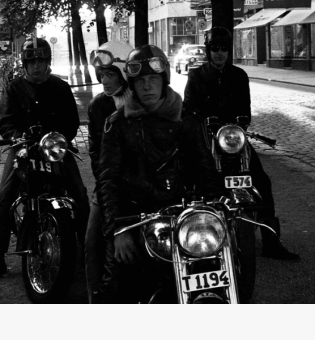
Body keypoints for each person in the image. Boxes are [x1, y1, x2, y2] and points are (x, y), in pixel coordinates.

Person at [94, 45, 224, 303]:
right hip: (134, 215)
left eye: (153, 79)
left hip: (182, 215)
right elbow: (107, 177)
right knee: (114, 285)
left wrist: (217, 209)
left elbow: (205, 167)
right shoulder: (117, 124)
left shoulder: (187, 119)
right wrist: (119, 228)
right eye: (140, 81)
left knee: (214, 272)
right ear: (132, 84)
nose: (147, 86)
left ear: (164, 80)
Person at [183, 27, 299, 260]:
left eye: (224, 48)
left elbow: (245, 110)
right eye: (215, 48)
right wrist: (202, 121)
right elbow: (187, 110)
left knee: (262, 181)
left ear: (229, 51)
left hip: (233, 140)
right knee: (192, 177)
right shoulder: (196, 75)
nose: (219, 53)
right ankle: (196, 236)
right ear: (208, 50)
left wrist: (242, 122)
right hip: (207, 140)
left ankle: (271, 240)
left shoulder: (239, 75)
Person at [0, 37, 90, 281]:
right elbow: (5, 121)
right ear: (24, 63)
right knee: (4, 199)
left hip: (54, 149)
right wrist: (18, 138)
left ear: (48, 61)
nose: (37, 66)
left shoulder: (61, 88)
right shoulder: (14, 87)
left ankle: (86, 251)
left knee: (80, 195)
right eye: (32, 61)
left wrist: (57, 138)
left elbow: (71, 122)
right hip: (23, 149)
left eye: (41, 60)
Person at [84, 40, 133, 303]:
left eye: (111, 74)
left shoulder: (141, 99)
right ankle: (95, 299)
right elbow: (95, 153)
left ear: (124, 74)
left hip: (139, 184)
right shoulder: (97, 106)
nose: (105, 80)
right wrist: (105, 188)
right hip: (107, 183)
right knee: (92, 242)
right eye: (102, 75)